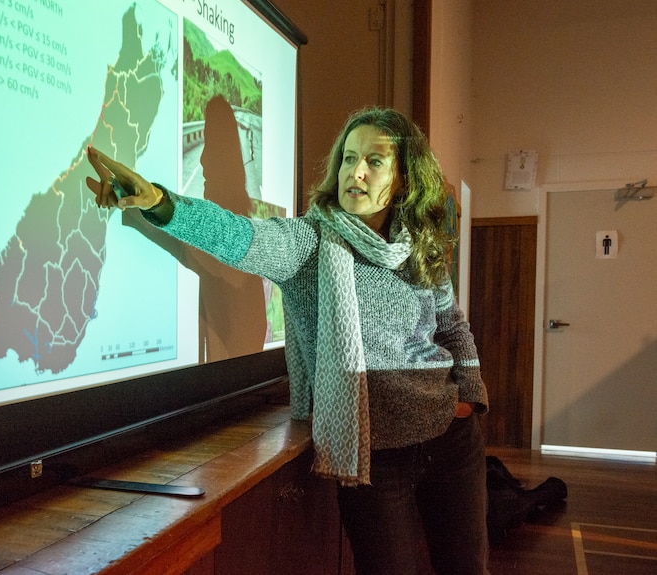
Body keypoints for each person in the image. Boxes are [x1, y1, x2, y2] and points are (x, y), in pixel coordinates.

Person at [86, 107, 490, 575]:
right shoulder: (310, 242)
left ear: (403, 179)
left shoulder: (419, 246)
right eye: (348, 158)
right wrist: (159, 201)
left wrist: (470, 397)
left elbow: (452, 325)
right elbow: (238, 235)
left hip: (451, 437)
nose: (355, 172)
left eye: (374, 161)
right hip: (375, 459)